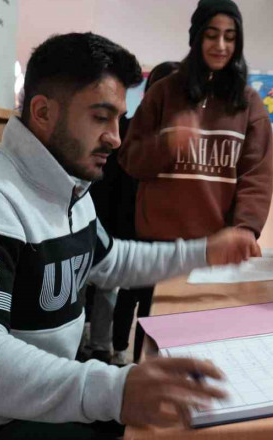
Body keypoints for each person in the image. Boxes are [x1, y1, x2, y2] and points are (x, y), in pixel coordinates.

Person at [0, 32, 261, 439]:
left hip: (41, 404)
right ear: (42, 113)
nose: (116, 136)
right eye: (100, 117)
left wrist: (204, 252)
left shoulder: (71, 189)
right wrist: (112, 387)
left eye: (117, 118)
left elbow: (113, 262)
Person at [117, 0, 273, 362]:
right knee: (155, 341)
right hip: (158, 247)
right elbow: (129, 160)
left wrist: (247, 228)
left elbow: (256, 174)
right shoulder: (164, 93)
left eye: (230, 37)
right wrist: (166, 143)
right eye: (212, 35)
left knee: (209, 341)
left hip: (213, 247)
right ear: (196, 37)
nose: (221, 46)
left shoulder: (248, 103)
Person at [106, 61, 180, 365]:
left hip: (167, 229)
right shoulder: (127, 128)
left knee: (153, 296)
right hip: (130, 225)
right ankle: (119, 350)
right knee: (130, 291)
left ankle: (141, 360)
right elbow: (111, 182)